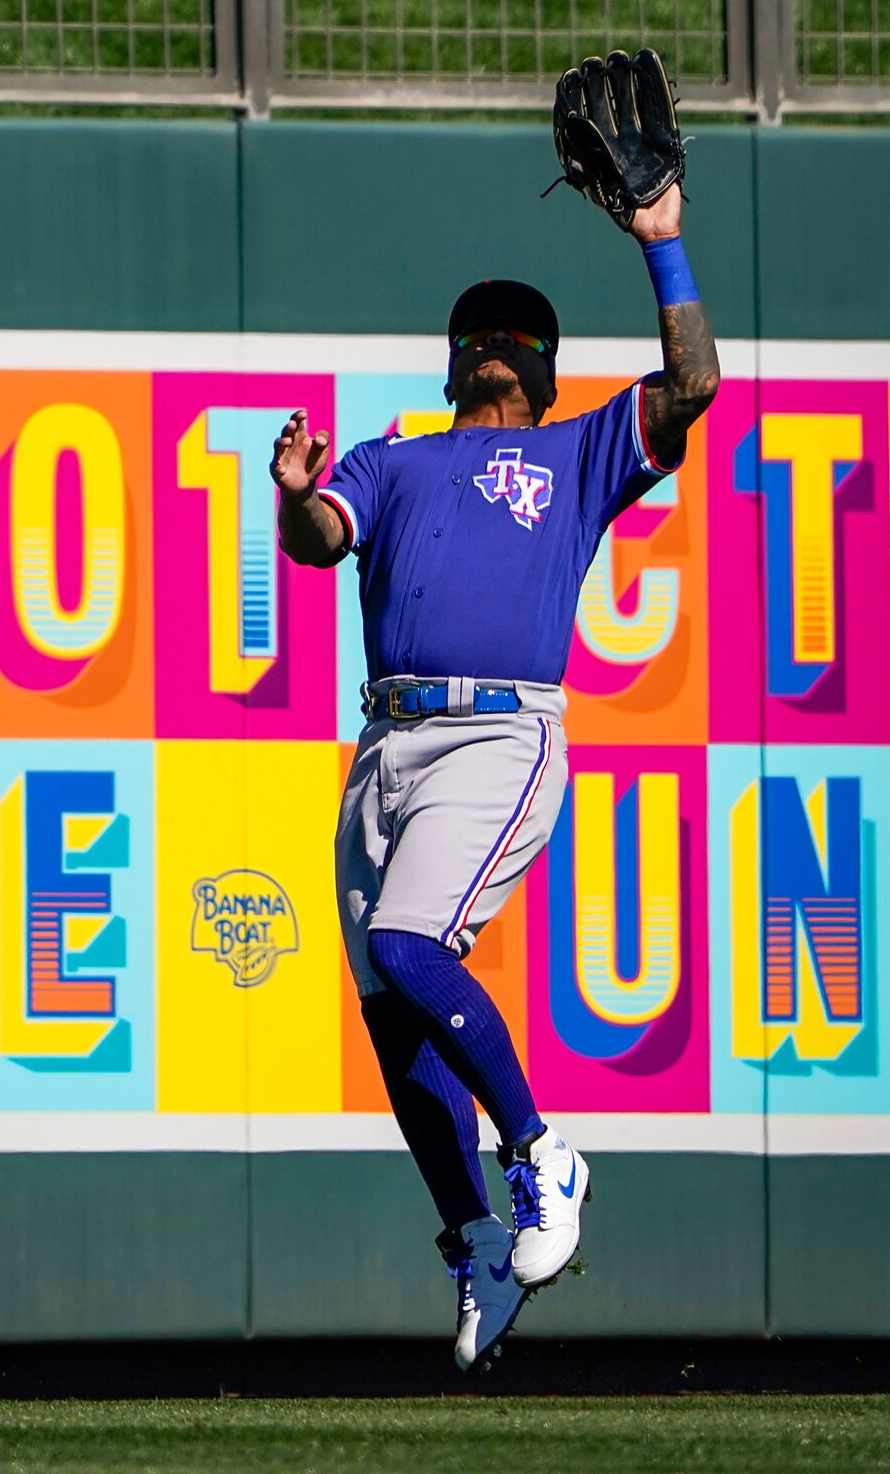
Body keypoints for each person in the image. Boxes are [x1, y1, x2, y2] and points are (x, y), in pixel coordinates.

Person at [270, 181, 718, 1371]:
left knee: (414, 952)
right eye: (481, 341)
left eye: (501, 342)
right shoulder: (390, 459)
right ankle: (469, 1238)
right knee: (389, 1014)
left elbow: (691, 389)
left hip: (494, 736)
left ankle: (537, 1154)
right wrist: (295, 496)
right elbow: (318, 544)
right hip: (382, 747)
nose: (489, 355)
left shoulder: (572, 454)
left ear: (532, 368)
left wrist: (661, 244)